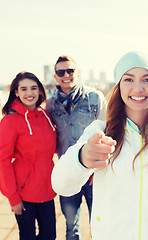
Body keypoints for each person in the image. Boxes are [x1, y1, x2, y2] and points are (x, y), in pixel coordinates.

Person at [51, 51, 148, 240]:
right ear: (119, 86)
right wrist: (81, 159)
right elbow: (60, 185)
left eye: (147, 79)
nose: (138, 88)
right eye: (128, 80)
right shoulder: (100, 132)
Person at [46, 55, 106, 240]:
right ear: (55, 77)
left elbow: (108, 130)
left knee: (100, 223)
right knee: (71, 227)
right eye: (61, 72)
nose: (66, 75)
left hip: (94, 174)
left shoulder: (94, 98)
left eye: (70, 71)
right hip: (69, 173)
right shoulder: (50, 104)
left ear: (77, 73)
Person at [0, 71, 57, 240]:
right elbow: (3, 160)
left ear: (39, 91)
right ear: (16, 92)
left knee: (49, 235)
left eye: (33, 88)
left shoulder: (45, 116)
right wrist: (13, 198)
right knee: (28, 236)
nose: (29, 93)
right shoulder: (10, 121)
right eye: (23, 89)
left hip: (46, 189)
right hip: (24, 192)